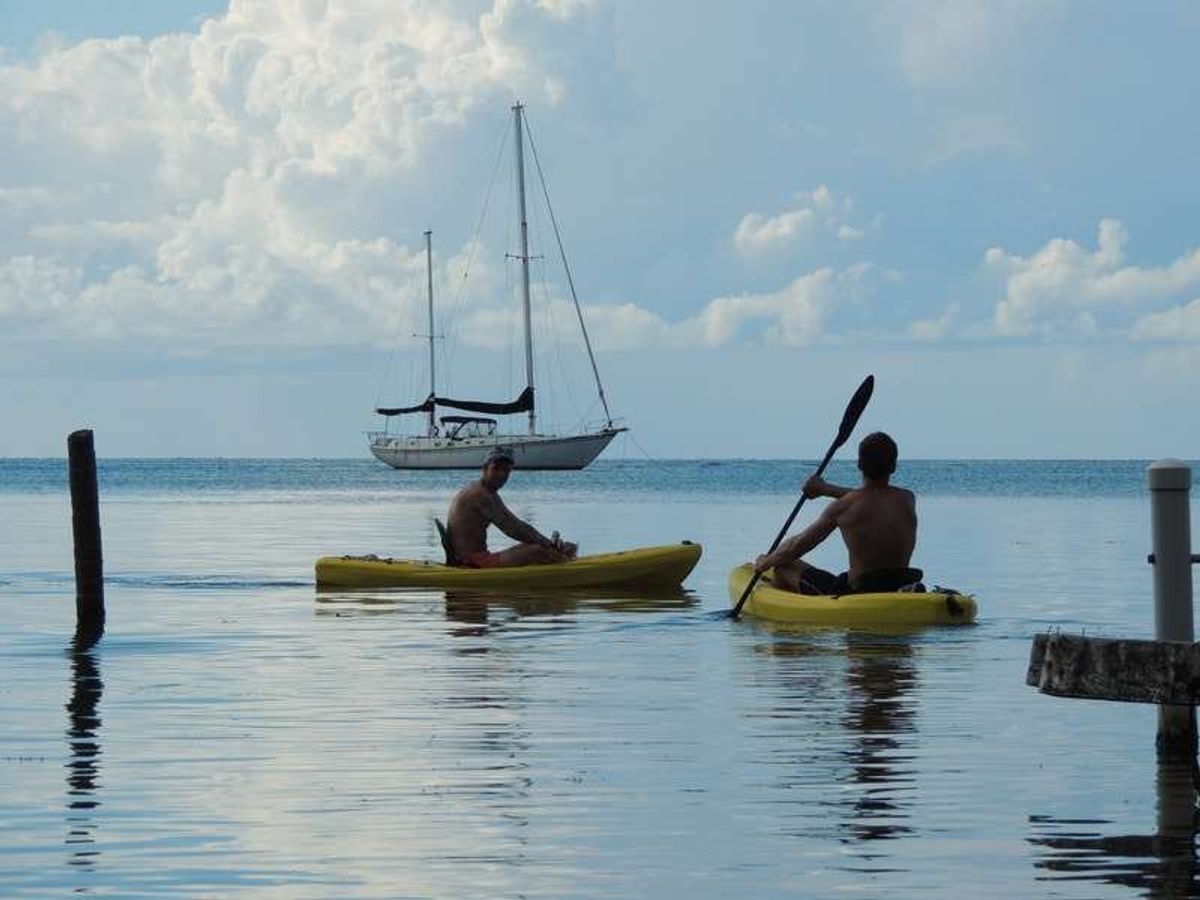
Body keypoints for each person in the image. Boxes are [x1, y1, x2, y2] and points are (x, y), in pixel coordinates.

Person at [754, 432, 918, 594]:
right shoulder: (907, 499)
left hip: (857, 593)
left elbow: (797, 546)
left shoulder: (844, 507)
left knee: (783, 565)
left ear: (859, 465)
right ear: (894, 466)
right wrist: (825, 490)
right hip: (900, 585)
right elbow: (874, 498)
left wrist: (767, 561)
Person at [446, 447, 577, 568]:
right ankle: (571, 567)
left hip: (472, 559)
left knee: (535, 546)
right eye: (496, 468)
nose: (502, 474)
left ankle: (565, 561)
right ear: (485, 469)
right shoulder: (480, 495)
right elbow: (513, 529)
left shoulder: (486, 491)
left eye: (506, 470)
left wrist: (548, 544)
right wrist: (550, 545)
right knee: (537, 551)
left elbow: (518, 525)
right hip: (472, 562)